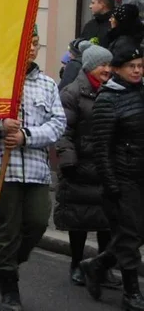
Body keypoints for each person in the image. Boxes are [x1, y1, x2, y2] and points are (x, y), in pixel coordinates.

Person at [0, 26, 65, 311]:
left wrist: (27, 136)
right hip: (1, 169)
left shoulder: (47, 85)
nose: (33, 48)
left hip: (35, 169)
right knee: (7, 229)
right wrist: (1, 124)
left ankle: (4, 264)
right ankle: (10, 286)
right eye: (28, 43)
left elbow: (58, 124)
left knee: (37, 221)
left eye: (36, 43)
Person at [80, 38, 144, 309]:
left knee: (138, 233)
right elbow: (101, 147)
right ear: (117, 69)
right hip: (123, 176)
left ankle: (96, 264)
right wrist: (111, 184)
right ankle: (131, 294)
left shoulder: (141, 92)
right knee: (129, 237)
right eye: (131, 66)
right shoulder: (108, 99)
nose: (137, 71)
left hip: (141, 174)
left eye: (141, 65)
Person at [54, 43, 117, 287]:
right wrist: (68, 159)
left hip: (105, 165)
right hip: (80, 165)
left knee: (107, 220)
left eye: (110, 64)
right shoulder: (72, 93)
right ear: (90, 66)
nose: (107, 69)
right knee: (78, 218)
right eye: (103, 64)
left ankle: (102, 266)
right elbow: (63, 129)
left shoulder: (112, 90)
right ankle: (77, 263)